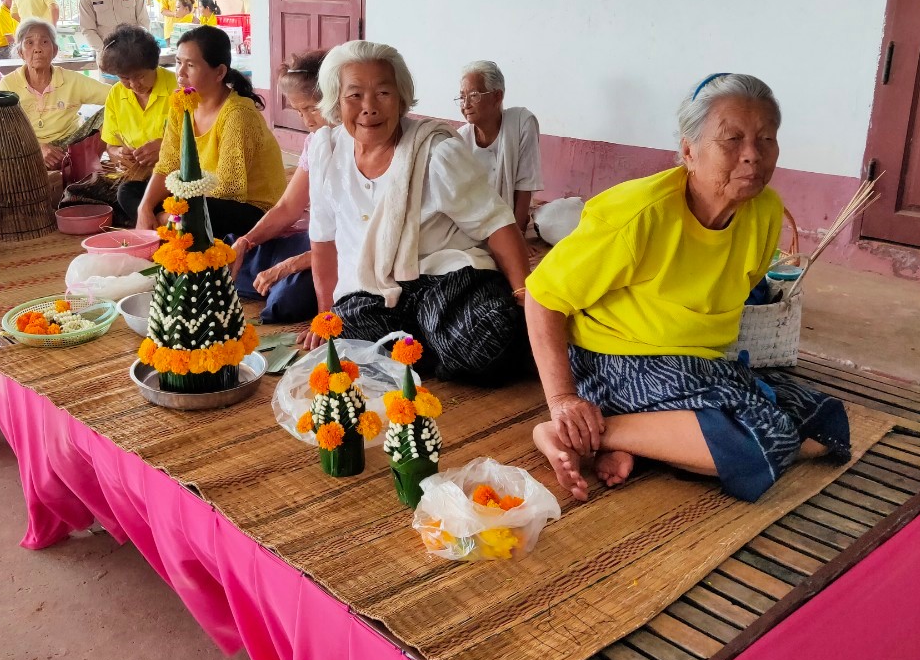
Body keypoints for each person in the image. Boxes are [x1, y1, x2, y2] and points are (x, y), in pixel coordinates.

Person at [526, 73, 851, 504]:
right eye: (731, 140)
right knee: (765, 438)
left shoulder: (765, 210)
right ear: (688, 151)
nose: (752, 156)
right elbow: (542, 297)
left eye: (766, 138)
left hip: (700, 362)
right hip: (618, 359)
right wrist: (563, 399)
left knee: (823, 427)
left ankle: (631, 438)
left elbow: (744, 287)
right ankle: (591, 429)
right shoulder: (637, 215)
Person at [302, 40, 531, 382]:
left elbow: (497, 224)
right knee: (345, 345)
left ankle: (427, 348)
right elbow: (323, 239)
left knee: (485, 342)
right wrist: (325, 316)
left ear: (402, 99)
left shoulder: (436, 152)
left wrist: (523, 295)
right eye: (355, 96)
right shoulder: (326, 151)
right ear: (337, 101)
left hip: (445, 277)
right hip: (372, 289)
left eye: (383, 93)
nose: (369, 108)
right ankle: (429, 347)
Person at [135, 25, 286, 238]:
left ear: (220, 72)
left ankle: (170, 225)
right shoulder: (182, 103)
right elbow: (168, 163)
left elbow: (228, 190)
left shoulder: (237, 114)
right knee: (130, 193)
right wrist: (145, 208)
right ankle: (171, 224)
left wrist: (171, 214)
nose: (180, 72)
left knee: (204, 212)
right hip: (197, 196)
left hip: (248, 208)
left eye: (190, 65)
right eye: (178, 62)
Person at [228, 49, 329, 322]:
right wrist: (246, 241)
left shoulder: (362, 148)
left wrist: (290, 265)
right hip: (313, 241)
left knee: (287, 301)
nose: (307, 121)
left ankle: (278, 282)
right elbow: (287, 208)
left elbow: (355, 241)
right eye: (299, 111)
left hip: (342, 253)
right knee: (229, 255)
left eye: (313, 108)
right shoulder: (316, 143)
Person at [0, 18, 109, 170]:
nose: (37, 49)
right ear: (21, 52)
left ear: (55, 50)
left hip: (70, 145)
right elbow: (2, 128)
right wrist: (38, 147)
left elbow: (114, 95)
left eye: (44, 42)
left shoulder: (71, 79)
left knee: (112, 111)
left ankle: (85, 167)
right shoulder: (8, 84)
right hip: (28, 148)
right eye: (29, 43)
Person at [98, 25, 176, 225]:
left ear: (154, 65)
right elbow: (110, 146)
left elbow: (201, 143)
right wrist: (119, 154)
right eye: (124, 78)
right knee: (125, 192)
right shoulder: (116, 94)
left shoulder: (178, 89)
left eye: (140, 76)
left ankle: (159, 220)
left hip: (175, 179)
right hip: (140, 180)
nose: (134, 85)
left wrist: (166, 149)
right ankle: (164, 221)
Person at [456, 61, 543, 234]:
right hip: (475, 222)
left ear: (497, 97)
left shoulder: (521, 123)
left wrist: (517, 236)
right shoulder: (460, 139)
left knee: (554, 222)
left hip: (509, 221)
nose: (465, 104)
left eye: (473, 95)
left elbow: (525, 184)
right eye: (461, 97)